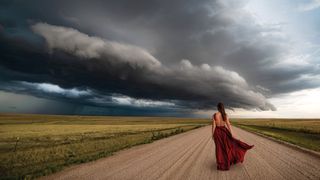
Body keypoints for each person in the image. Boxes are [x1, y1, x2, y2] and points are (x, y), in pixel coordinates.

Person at [212, 102, 254, 170]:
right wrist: (232, 134)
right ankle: (227, 161)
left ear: (218, 107)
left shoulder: (214, 115)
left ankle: (221, 164)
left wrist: (213, 134)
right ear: (223, 107)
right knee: (227, 147)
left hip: (217, 132)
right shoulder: (225, 115)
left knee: (219, 149)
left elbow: (213, 126)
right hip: (224, 132)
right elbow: (228, 125)